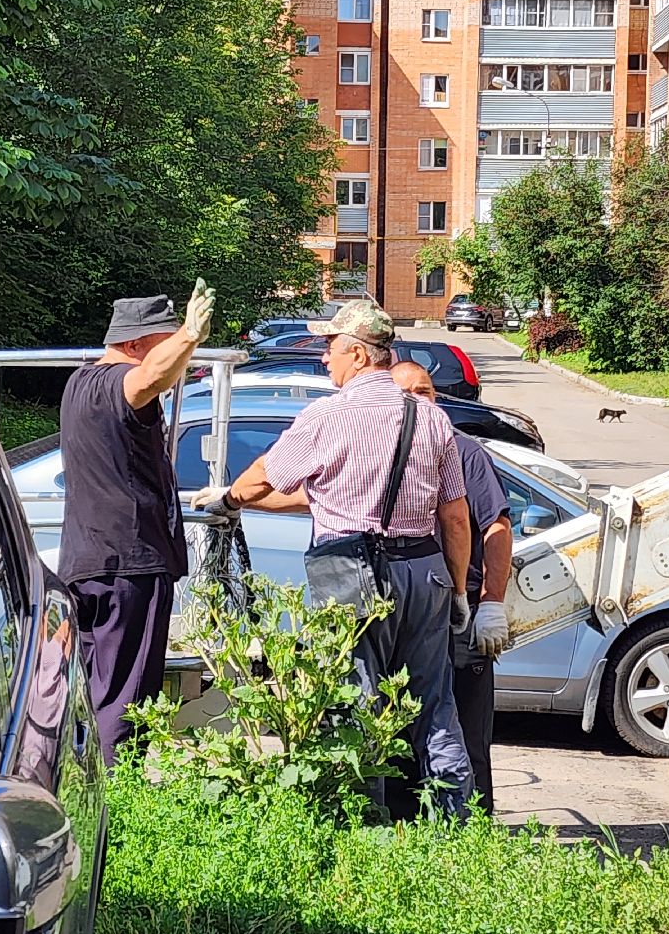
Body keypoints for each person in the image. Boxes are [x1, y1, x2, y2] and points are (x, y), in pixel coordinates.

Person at [191, 300, 476, 816]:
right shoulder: (431, 418)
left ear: (358, 355)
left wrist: (229, 497)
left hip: (349, 572)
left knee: (354, 701)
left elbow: (265, 475)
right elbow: (455, 517)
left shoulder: (328, 416)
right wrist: (458, 593)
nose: (324, 359)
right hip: (423, 569)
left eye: (330, 348)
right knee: (434, 704)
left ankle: (364, 830)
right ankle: (455, 823)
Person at [58, 280, 216, 764]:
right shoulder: (118, 383)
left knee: (93, 694)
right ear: (132, 344)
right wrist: (189, 334)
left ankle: (84, 790)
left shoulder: (78, 383)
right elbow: (146, 379)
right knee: (125, 702)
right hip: (130, 565)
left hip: (88, 563)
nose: (172, 352)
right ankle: (116, 808)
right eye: (161, 341)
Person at [391, 360, 512, 810]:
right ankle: (405, 832)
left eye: (425, 392)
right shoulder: (382, 451)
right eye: (408, 394)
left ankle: (473, 832)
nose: (420, 401)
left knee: (465, 733)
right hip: (409, 612)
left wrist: (492, 603)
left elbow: (494, 527)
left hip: (460, 620)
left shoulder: (464, 451)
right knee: (403, 730)